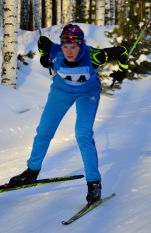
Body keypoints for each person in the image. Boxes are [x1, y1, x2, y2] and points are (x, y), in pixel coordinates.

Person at [9, 24, 128, 204]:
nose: (69, 52)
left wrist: (122, 71)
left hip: (87, 94)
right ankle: (31, 172)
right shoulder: (55, 51)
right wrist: (43, 57)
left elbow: (121, 51)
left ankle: (94, 183)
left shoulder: (95, 55)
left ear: (81, 45)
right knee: (44, 131)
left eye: (73, 47)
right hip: (61, 92)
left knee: (83, 134)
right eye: (65, 46)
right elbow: (42, 41)